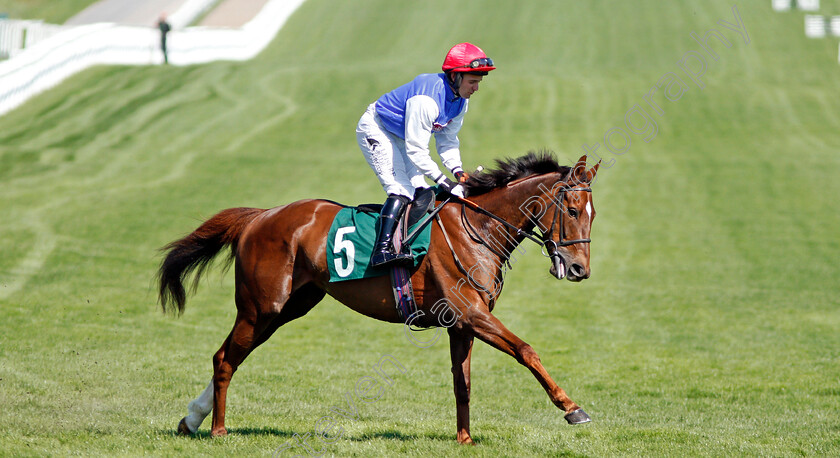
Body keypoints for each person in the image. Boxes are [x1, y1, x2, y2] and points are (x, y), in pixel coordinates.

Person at [356, 42, 496, 267]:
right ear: (456, 77)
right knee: (401, 189)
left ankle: (404, 242)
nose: (476, 88)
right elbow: (417, 150)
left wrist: (457, 171)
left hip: (401, 136)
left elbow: (447, 140)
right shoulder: (426, 101)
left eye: (478, 82)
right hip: (377, 128)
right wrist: (443, 181)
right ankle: (381, 251)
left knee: (421, 191)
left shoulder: (461, 102)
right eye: (472, 82)